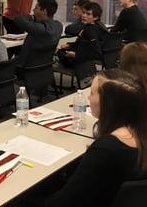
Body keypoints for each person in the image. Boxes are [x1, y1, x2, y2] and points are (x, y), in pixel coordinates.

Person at [45, 69, 147, 207]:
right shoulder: (139, 134)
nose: (88, 98)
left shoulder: (106, 149)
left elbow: (64, 202)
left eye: (92, 93)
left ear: (108, 103)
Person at [11, 0, 63, 68]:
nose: (33, 10)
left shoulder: (38, 28)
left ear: (44, 11)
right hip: (44, 67)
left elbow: (18, 19)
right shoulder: (59, 25)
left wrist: (33, 17)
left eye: (36, 8)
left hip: (26, 68)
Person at [58, 2, 108, 67]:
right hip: (83, 57)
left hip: (82, 61)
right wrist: (70, 45)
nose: (84, 16)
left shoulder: (90, 30)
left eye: (88, 14)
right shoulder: (94, 26)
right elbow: (84, 43)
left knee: (59, 53)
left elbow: (97, 53)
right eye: (84, 13)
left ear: (95, 17)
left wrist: (75, 55)